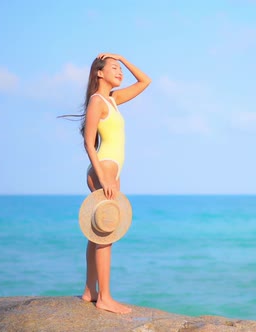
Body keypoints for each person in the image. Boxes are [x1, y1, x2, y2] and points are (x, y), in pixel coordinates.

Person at [66, 53, 151, 313]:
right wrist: (104, 178)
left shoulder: (113, 100)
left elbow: (145, 81)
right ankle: (105, 298)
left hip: (110, 171)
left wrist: (122, 58)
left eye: (120, 68)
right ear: (99, 73)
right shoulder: (97, 101)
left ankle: (90, 291)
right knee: (106, 233)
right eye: (114, 68)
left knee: (98, 232)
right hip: (103, 170)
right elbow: (89, 143)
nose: (120, 71)